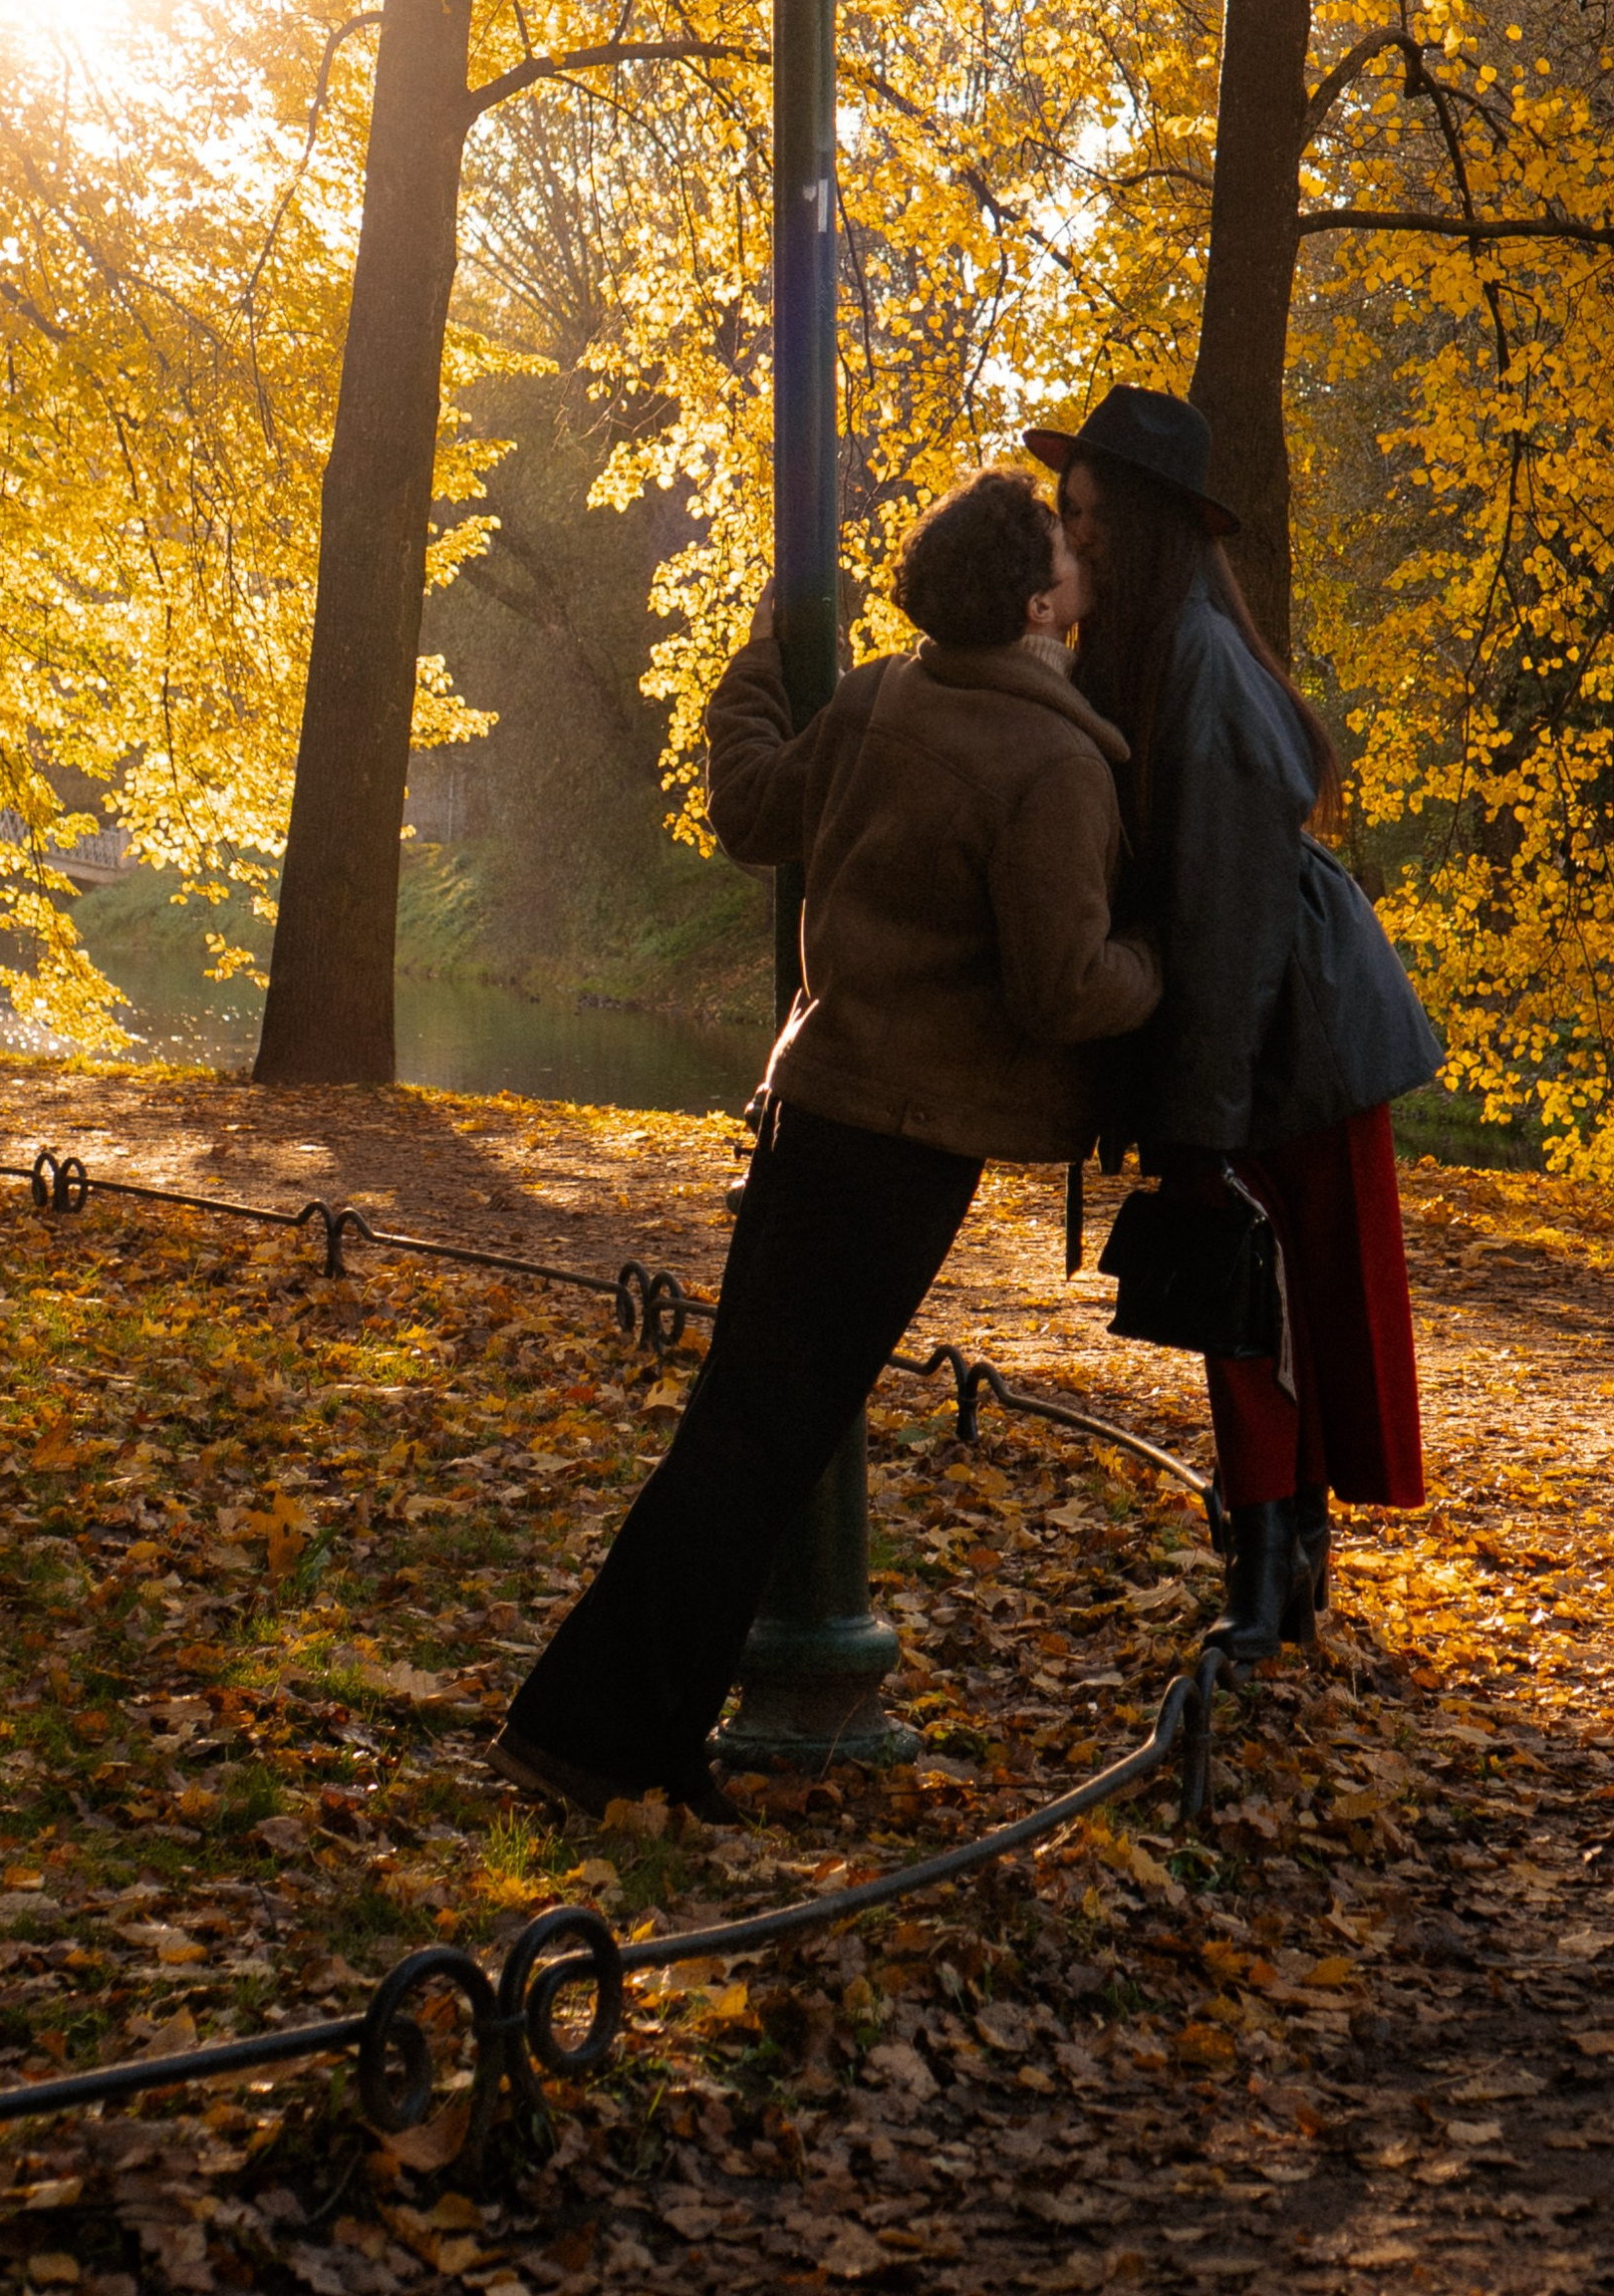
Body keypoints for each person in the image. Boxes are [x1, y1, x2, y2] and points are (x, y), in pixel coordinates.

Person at [495, 466, 1160, 1821]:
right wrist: (1159, 962)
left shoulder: (875, 700)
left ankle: (643, 1740)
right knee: (753, 1450)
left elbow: (748, 807)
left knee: (748, 1437)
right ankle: (582, 1734)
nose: (1084, 567)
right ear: (1038, 602)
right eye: (1063, 554)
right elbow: (1061, 987)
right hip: (903, 1149)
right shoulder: (1058, 767)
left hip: (818, 1110)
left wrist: (756, 661)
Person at [1028, 385, 1442, 1661]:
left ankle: (1268, 1580)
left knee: (1258, 1310)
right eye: (1064, 512)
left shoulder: (1196, 659)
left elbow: (1226, 918)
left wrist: (1196, 1128)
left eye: (1087, 515)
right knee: (1255, 1310)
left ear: (1142, 525)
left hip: (1289, 1035)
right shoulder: (1143, 651)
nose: (1070, 535)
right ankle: (1282, 1561)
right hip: (1255, 1024)